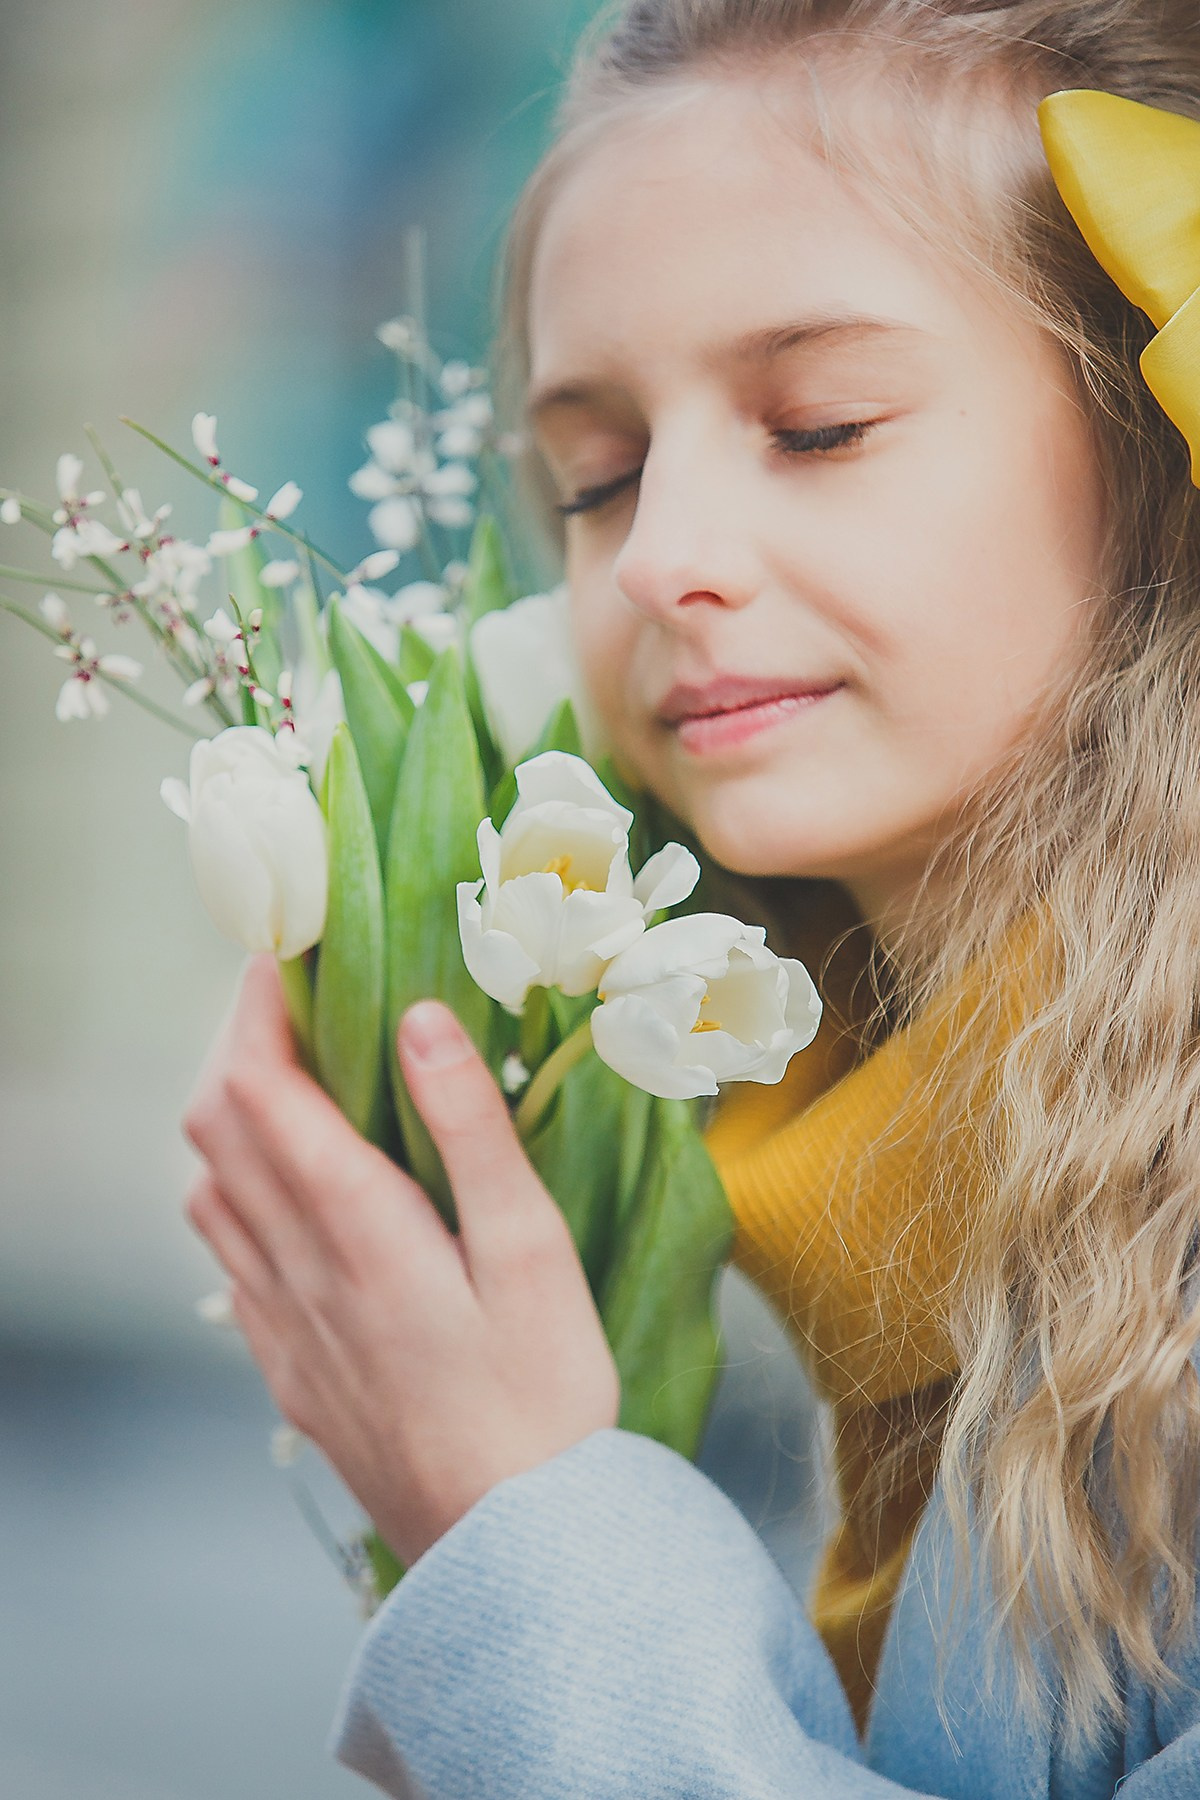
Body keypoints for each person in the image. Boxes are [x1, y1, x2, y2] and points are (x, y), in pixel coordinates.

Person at [180, 2, 1200, 1794]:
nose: (655, 558)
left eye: (819, 426)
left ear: (1160, 442)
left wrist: (517, 1521)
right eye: (601, 475)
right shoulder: (842, 1167)